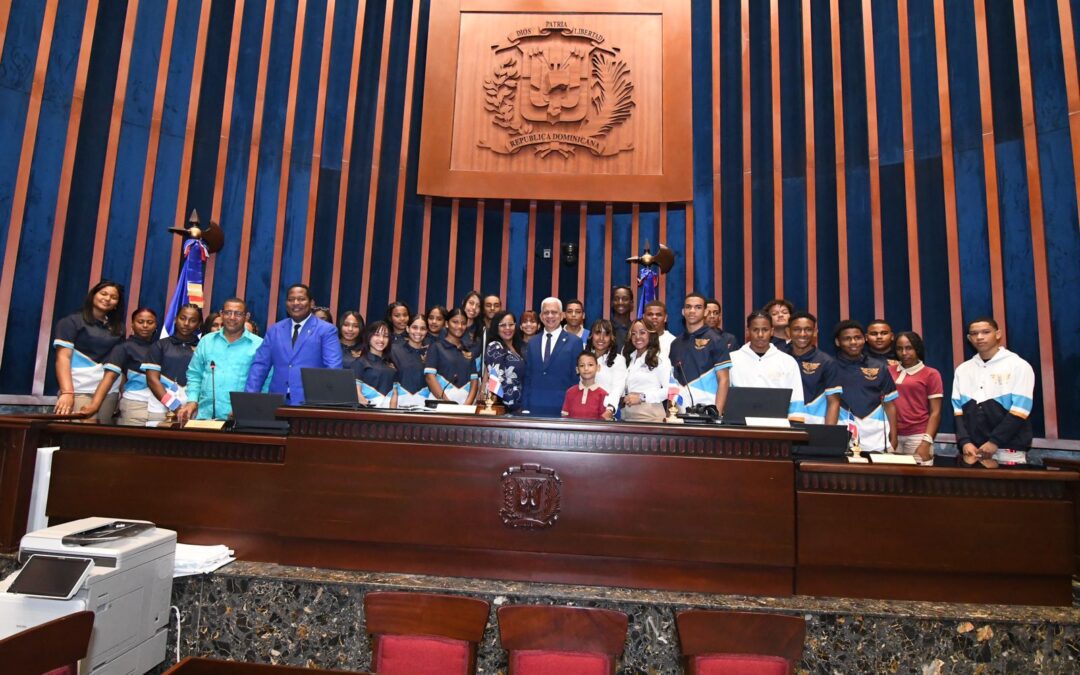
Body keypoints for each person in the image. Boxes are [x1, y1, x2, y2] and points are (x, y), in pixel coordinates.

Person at [951, 317, 1035, 468]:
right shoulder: (962, 370)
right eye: (974, 334)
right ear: (969, 338)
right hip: (973, 451)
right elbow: (958, 411)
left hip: (1009, 449)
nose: (980, 337)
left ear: (998, 334)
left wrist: (994, 442)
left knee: (1008, 491)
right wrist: (965, 442)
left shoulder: (1019, 366)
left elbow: (1021, 410)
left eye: (986, 332)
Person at [245, 283, 342, 404]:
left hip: (311, 403)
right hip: (277, 402)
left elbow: (333, 369)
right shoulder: (275, 330)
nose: (296, 303)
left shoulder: (326, 330)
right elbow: (260, 366)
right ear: (286, 304)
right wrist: (249, 399)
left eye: (301, 299)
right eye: (291, 299)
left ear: (312, 303)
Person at [52, 280, 126, 423]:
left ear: (117, 304)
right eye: (103, 293)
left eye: (113, 297)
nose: (107, 299)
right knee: (81, 435)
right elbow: (63, 358)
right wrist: (67, 392)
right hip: (78, 388)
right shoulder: (71, 322)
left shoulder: (119, 328)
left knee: (100, 439)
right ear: (93, 295)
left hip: (108, 391)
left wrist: (120, 393)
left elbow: (118, 366)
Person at [179, 298, 263, 423]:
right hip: (204, 416)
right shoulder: (206, 341)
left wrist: (246, 406)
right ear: (221, 314)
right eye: (228, 312)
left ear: (247, 316)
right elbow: (194, 374)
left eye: (238, 314)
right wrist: (192, 401)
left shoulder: (258, 345)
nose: (232, 317)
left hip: (241, 418)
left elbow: (265, 381)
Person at [832, 320, 898, 453]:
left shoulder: (879, 367)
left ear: (864, 339)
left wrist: (894, 435)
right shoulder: (830, 367)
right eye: (847, 339)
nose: (853, 342)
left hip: (876, 435)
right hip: (842, 431)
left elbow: (889, 404)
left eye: (858, 338)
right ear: (838, 342)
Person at [729, 312, 804, 422]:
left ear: (772, 331)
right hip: (739, 426)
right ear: (748, 331)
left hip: (776, 428)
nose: (760, 334)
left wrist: (793, 431)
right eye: (755, 330)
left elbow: (796, 399)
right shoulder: (732, 359)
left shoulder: (788, 361)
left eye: (765, 330)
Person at [669, 293, 731, 412]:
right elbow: (672, 381)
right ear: (683, 311)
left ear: (706, 312)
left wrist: (716, 413)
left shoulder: (717, 340)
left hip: (708, 410)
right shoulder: (675, 343)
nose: (692, 311)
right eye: (688, 307)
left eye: (698, 307)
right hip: (681, 412)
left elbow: (724, 380)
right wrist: (672, 411)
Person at [521, 297, 583, 417]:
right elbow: (528, 377)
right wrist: (525, 406)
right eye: (546, 312)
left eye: (554, 312)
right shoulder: (533, 342)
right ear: (541, 316)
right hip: (535, 407)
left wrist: (572, 407)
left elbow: (576, 379)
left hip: (563, 407)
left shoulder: (574, 342)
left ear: (561, 315)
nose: (550, 316)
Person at [889, 331, 942, 466]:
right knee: (892, 483)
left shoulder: (931, 373)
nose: (904, 352)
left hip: (918, 435)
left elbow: (935, 412)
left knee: (918, 483)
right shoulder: (889, 371)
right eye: (900, 349)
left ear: (917, 348)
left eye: (909, 348)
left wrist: (926, 442)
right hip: (891, 435)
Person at [144, 303, 201, 420]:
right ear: (175, 319)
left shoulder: (204, 347)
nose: (186, 324)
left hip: (193, 409)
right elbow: (152, 380)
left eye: (193, 320)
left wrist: (190, 406)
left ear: (199, 324)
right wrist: (175, 407)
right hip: (160, 408)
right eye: (182, 318)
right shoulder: (160, 345)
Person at [104, 308, 160, 426]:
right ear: (132, 324)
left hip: (158, 404)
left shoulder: (160, 347)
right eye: (140, 322)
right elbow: (112, 377)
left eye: (150, 322)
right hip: (134, 403)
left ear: (156, 326)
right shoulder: (124, 347)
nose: (145, 325)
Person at [787, 312, 841, 425]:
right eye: (797, 329)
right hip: (783, 425)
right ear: (788, 332)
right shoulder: (780, 358)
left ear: (815, 332)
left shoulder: (827, 362)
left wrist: (828, 434)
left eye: (808, 329)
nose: (803, 334)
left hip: (815, 426)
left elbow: (834, 402)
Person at [620, 319, 672, 423]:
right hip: (627, 415)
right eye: (634, 334)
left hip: (651, 416)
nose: (637, 337)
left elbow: (670, 390)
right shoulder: (629, 357)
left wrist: (642, 397)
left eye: (642, 332)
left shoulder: (660, 358)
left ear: (651, 335)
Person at [424, 308, 478, 404]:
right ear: (446, 324)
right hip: (441, 404)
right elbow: (429, 377)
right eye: (455, 322)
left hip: (464, 406)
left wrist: (467, 405)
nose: (459, 326)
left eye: (463, 323)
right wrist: (447, 403)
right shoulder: (436, 346)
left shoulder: (468, 351)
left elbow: (474, 381)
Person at [484, 310, 525, 411]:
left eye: (511, 324)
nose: (507, 328)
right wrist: (513, 405)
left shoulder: (517, 347)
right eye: (503, 325)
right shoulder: (495, 346)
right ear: (496, 327)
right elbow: (497, 379)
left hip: (520, 404)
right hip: (507, 407)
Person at [352, 321, 398, 408]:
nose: (381, 339)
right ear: (368, 337)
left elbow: (394, 394)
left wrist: (392, 416)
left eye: (385, 336)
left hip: (389, 415)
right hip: (367, 415)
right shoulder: (360, 363)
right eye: (377, 335)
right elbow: (357, 394)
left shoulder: (391, 365)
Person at [586, 319, 626, 415]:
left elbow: (618, 389)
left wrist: (610, 409)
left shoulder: (618, 360)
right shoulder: (584, 357)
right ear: (591, 335)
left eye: (606, 334)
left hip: (607, 411)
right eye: (598, 333)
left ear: (612, 338)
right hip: (584, 409)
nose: (601, 338)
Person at [391, 313, 430, 407]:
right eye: (414, 327)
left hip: (424, 406)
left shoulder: (431, 353)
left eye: (423, 328)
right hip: (398, 404)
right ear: (407, 329)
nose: (418, 331)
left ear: (427, 331)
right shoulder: (393, 350)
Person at [561, 352, 613, 420]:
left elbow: (603, 422)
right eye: (582, 365)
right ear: (577, 370)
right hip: (573, 430)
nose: (586, 368)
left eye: (590, 365)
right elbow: (564, 417)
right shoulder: (570, 392)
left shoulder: (603, 394)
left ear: (598, 368)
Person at [610, 286, 634, 351]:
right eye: (616, 299)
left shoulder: (635, 329)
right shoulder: (605, 328)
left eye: (625, 299)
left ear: (631, 303)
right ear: (612, 302)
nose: (620, 302)